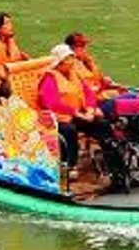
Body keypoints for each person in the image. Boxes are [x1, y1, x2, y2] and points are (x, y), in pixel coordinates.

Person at [38, 44, 127, 192]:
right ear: (59, 63)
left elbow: (88, 94)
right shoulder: (49, 78)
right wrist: (77, 113)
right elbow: (52, 103)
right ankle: (70, 166)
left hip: (80, 114)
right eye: (68, 59)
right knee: (69, 130)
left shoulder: (74, 74)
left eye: (72, 58)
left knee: (102, 125)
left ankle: (117, 172)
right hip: (57, 118)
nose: (72, 62)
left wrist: (91, 110)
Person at [63, 31, 117, 98]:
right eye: (81, 46)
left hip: (100, 93)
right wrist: (104, 87)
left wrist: (106, 81)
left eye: (84, 46)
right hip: (93, 99)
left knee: (130, 92)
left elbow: (99, 79)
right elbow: (86, 90)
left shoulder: (85, 60)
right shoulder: (70, 65)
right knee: (130, 98)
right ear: (71, 48)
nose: (85, 49)